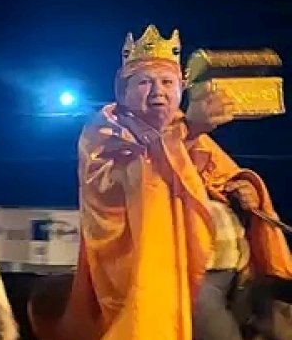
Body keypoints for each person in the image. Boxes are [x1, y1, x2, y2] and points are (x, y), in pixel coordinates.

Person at [29, 24, 292, 340]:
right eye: (144, 82)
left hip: (239, 274)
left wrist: (243, 189)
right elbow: (129, 179)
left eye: (167, 82)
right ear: (123, 91)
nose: (158, 92)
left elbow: (220, 175)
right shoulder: (106, 131)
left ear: (180, 90)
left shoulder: (183, 128)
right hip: (175, 278)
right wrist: (188, 131)